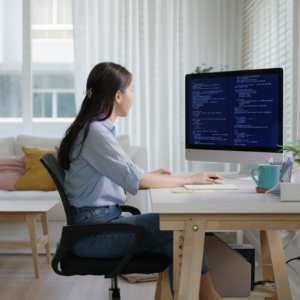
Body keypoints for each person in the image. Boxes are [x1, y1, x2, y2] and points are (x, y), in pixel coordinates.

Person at [57, 62, 225, 300]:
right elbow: (137, 181)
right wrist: (190, 179)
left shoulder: (94, 129)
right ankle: (211, 298)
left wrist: (153, 175)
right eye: (132, 90)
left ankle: (203, 296)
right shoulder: (96, 133)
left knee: (175, 244)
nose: (133, 97)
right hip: (91, 235)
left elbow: (127, 172)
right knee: (182, 223)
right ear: (118, 95)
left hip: (95, 225)